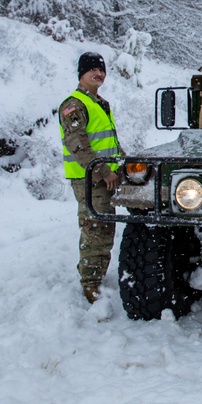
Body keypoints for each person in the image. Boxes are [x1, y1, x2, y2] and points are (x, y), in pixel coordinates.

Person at [59, 52, 124, 304]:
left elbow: (108, 142)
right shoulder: (73, 105)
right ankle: (90, 283)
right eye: (92, 70)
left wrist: (124, 163)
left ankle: (95, 275)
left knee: (105, 228)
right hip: (90, 178)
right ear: (81, 74)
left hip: (105, 176)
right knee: (95, 228)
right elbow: (78, 144)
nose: (98, 73)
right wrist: (102, 171)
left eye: (101, 70)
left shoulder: (99, 103)